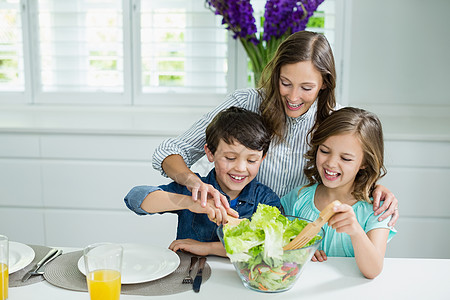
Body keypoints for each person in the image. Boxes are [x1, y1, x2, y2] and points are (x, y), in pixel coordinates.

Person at [152, 31, 399, 226]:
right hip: (235, 224)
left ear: (324, 84)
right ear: (276, 74)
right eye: (285, 83)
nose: (293, 96)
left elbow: (346, 168)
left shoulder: (335, 121)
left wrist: (372, 187)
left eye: (306, 87)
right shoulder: (246, 103)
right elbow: (169, 151)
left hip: (295, 235)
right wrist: (192, 182)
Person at [124, 107, 280, 256]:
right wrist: (191, 203)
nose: (240, 168)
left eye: (252, 160)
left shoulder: (266, 199)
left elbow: (268, 245)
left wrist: (208, 248)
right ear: (210, 153)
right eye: (230, 158)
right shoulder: (194, 190)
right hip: (190, 276)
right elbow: (135, 198)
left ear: (262, 158)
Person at [281, 107, 397, 279]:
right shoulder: (298, 198)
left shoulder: (376, 209)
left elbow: (373, 270)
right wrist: (299, 252)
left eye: (346, 158)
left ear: (365, 162)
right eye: (325, 151)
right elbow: (280, 246)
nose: (331, 163)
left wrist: (356, 231)